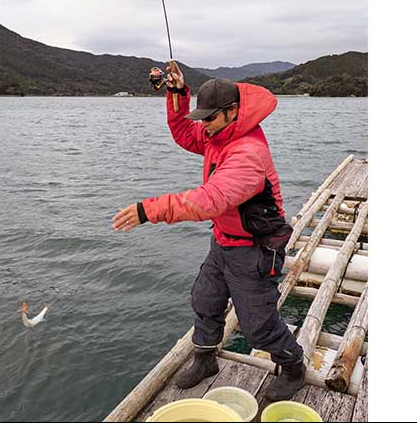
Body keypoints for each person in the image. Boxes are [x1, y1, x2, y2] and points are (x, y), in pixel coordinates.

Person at [112, 62, 305, 401]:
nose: (203, 125)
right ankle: (205, 360)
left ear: (232, 111)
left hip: (254, 250)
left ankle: (293, 366)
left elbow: (209, 201)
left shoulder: (248, 153)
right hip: (223, 242)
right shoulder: (219, 132)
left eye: (209, 117)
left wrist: (149, 210)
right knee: (205, 300)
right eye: (202, 117)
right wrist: (176, 94)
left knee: (258, 326)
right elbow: (185, 134)